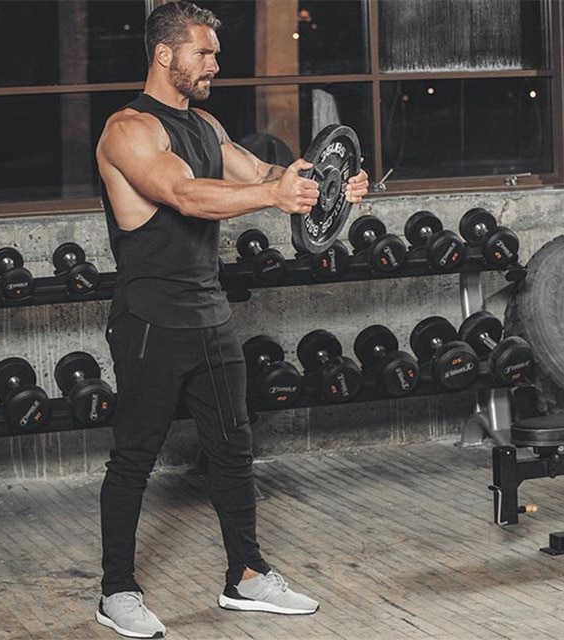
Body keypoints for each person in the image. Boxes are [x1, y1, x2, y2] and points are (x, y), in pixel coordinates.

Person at [95, 2, 369, 638]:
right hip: (150, 319)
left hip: (209, 313)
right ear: (165, 54)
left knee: (233, 448)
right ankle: (117, 591)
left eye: (215, 53)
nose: (215, 64)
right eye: (204, 53)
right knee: (134, 458)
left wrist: (325, 187)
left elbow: (266, 172)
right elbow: (184, 193)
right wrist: (274, 196)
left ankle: (246, 576)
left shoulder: (206, 124)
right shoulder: (129, 129)